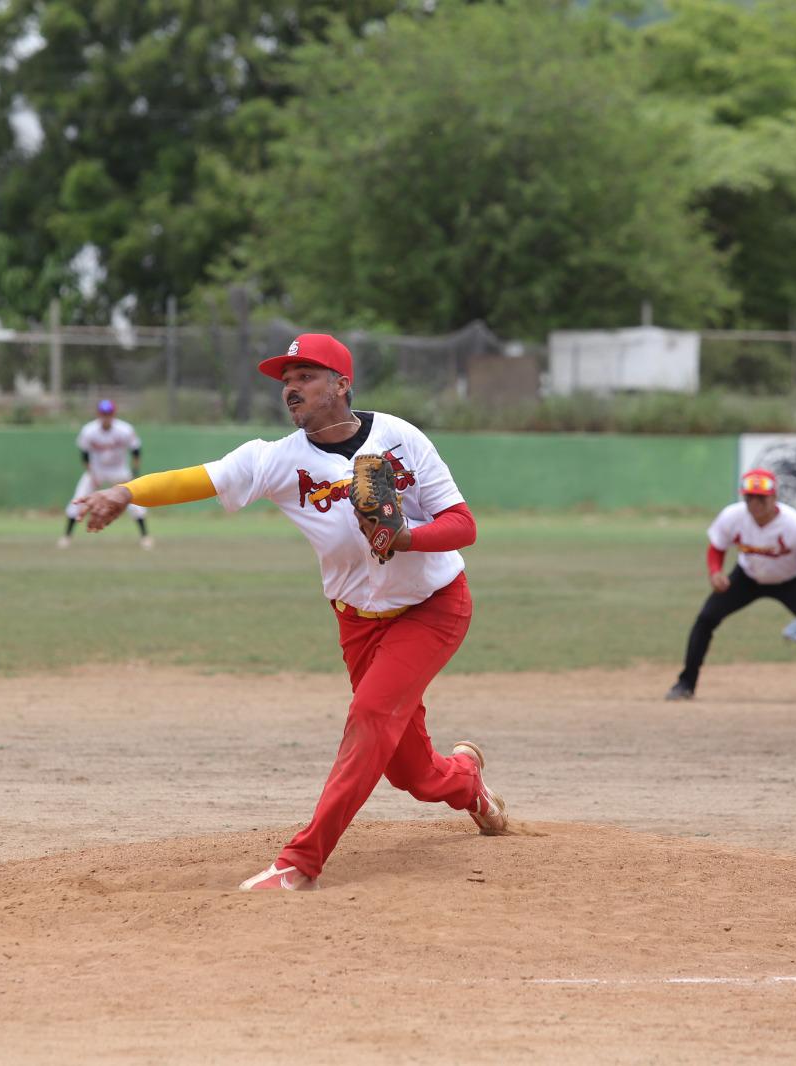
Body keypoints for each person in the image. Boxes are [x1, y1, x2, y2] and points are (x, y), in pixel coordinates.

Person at [76, 333, 510, 891]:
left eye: (305, 375)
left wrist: (404, 536)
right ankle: (466, 780)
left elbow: (463, 525)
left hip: (433, 606)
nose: (291, 388)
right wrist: (125, 492)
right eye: (286, 380)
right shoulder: (276, 460)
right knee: (409, 772)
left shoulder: (401, 438)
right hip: (357, 621)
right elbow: (202, 477)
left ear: (341, 384)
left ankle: (301, 862)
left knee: (371, 718)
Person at [666, 467, 796, 703]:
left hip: (791, 581)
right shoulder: (732, 517)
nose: (754, 503)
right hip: (747, 577)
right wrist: (715, 572)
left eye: (760, 498)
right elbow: (717, 546)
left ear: (774, 497)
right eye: (749, 497)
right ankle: (686, 683)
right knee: (706, 619)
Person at [58, 398, 152, 550]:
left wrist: (135, 474)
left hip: (120, 471)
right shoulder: (89, 430)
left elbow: (136, 451)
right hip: (97, 470)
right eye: (103, 413)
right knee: (79, 498)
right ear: (98, 414)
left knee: (135, 502)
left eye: (108, 413)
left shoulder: (125, 429)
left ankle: (145, 537)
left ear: (113, 414)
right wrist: (91, 474)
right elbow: (84, 455)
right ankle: (66, 537)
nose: (106, 416)